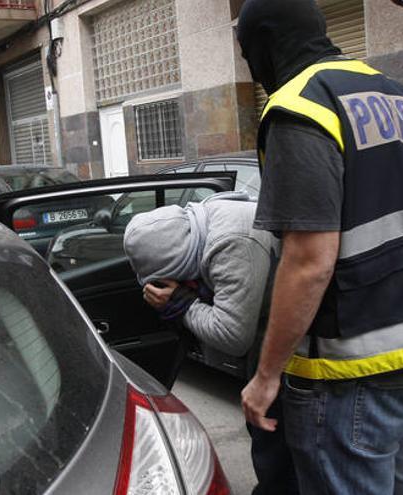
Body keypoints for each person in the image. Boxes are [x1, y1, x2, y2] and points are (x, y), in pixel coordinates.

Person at [236, 1, 403, 494]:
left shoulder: (300, 106)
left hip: (353, 368)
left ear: (264, 44)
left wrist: (265, 377)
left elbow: (309, 262)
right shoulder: (398, 94)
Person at [123, 192, 296, 495]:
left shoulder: (230, 245)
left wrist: (182, 303)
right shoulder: (201, 220)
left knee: (274, 436)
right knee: (267, 431)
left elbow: (233, 337)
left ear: (180, 260)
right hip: (273, 329)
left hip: (295, 341)